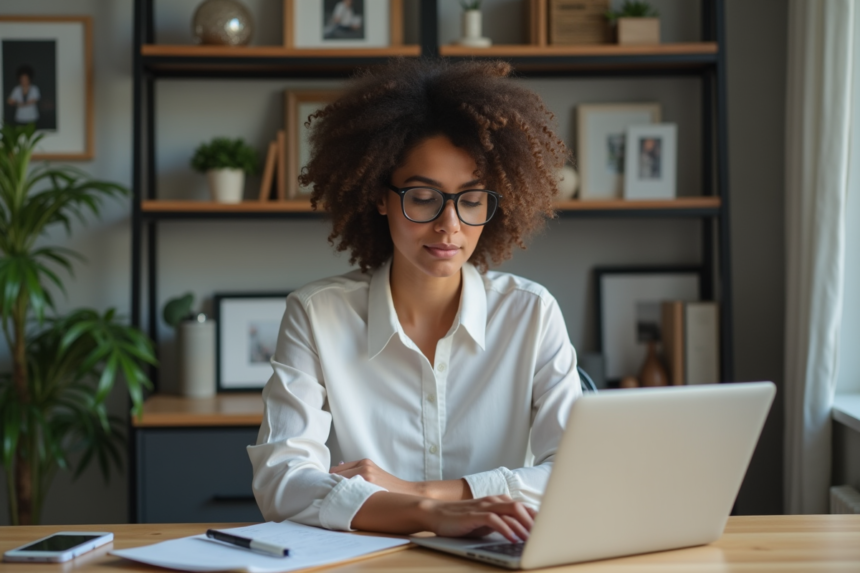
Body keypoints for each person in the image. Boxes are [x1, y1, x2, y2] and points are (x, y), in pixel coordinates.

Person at [247, 58, 581, 543]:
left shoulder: (531, 313)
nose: (450, 225)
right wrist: (427, 514)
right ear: (380, 196)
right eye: (424, 197)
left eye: (470, 199)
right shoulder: (317, 314)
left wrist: (420, 491)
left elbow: (572, 475)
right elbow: (281, 481)